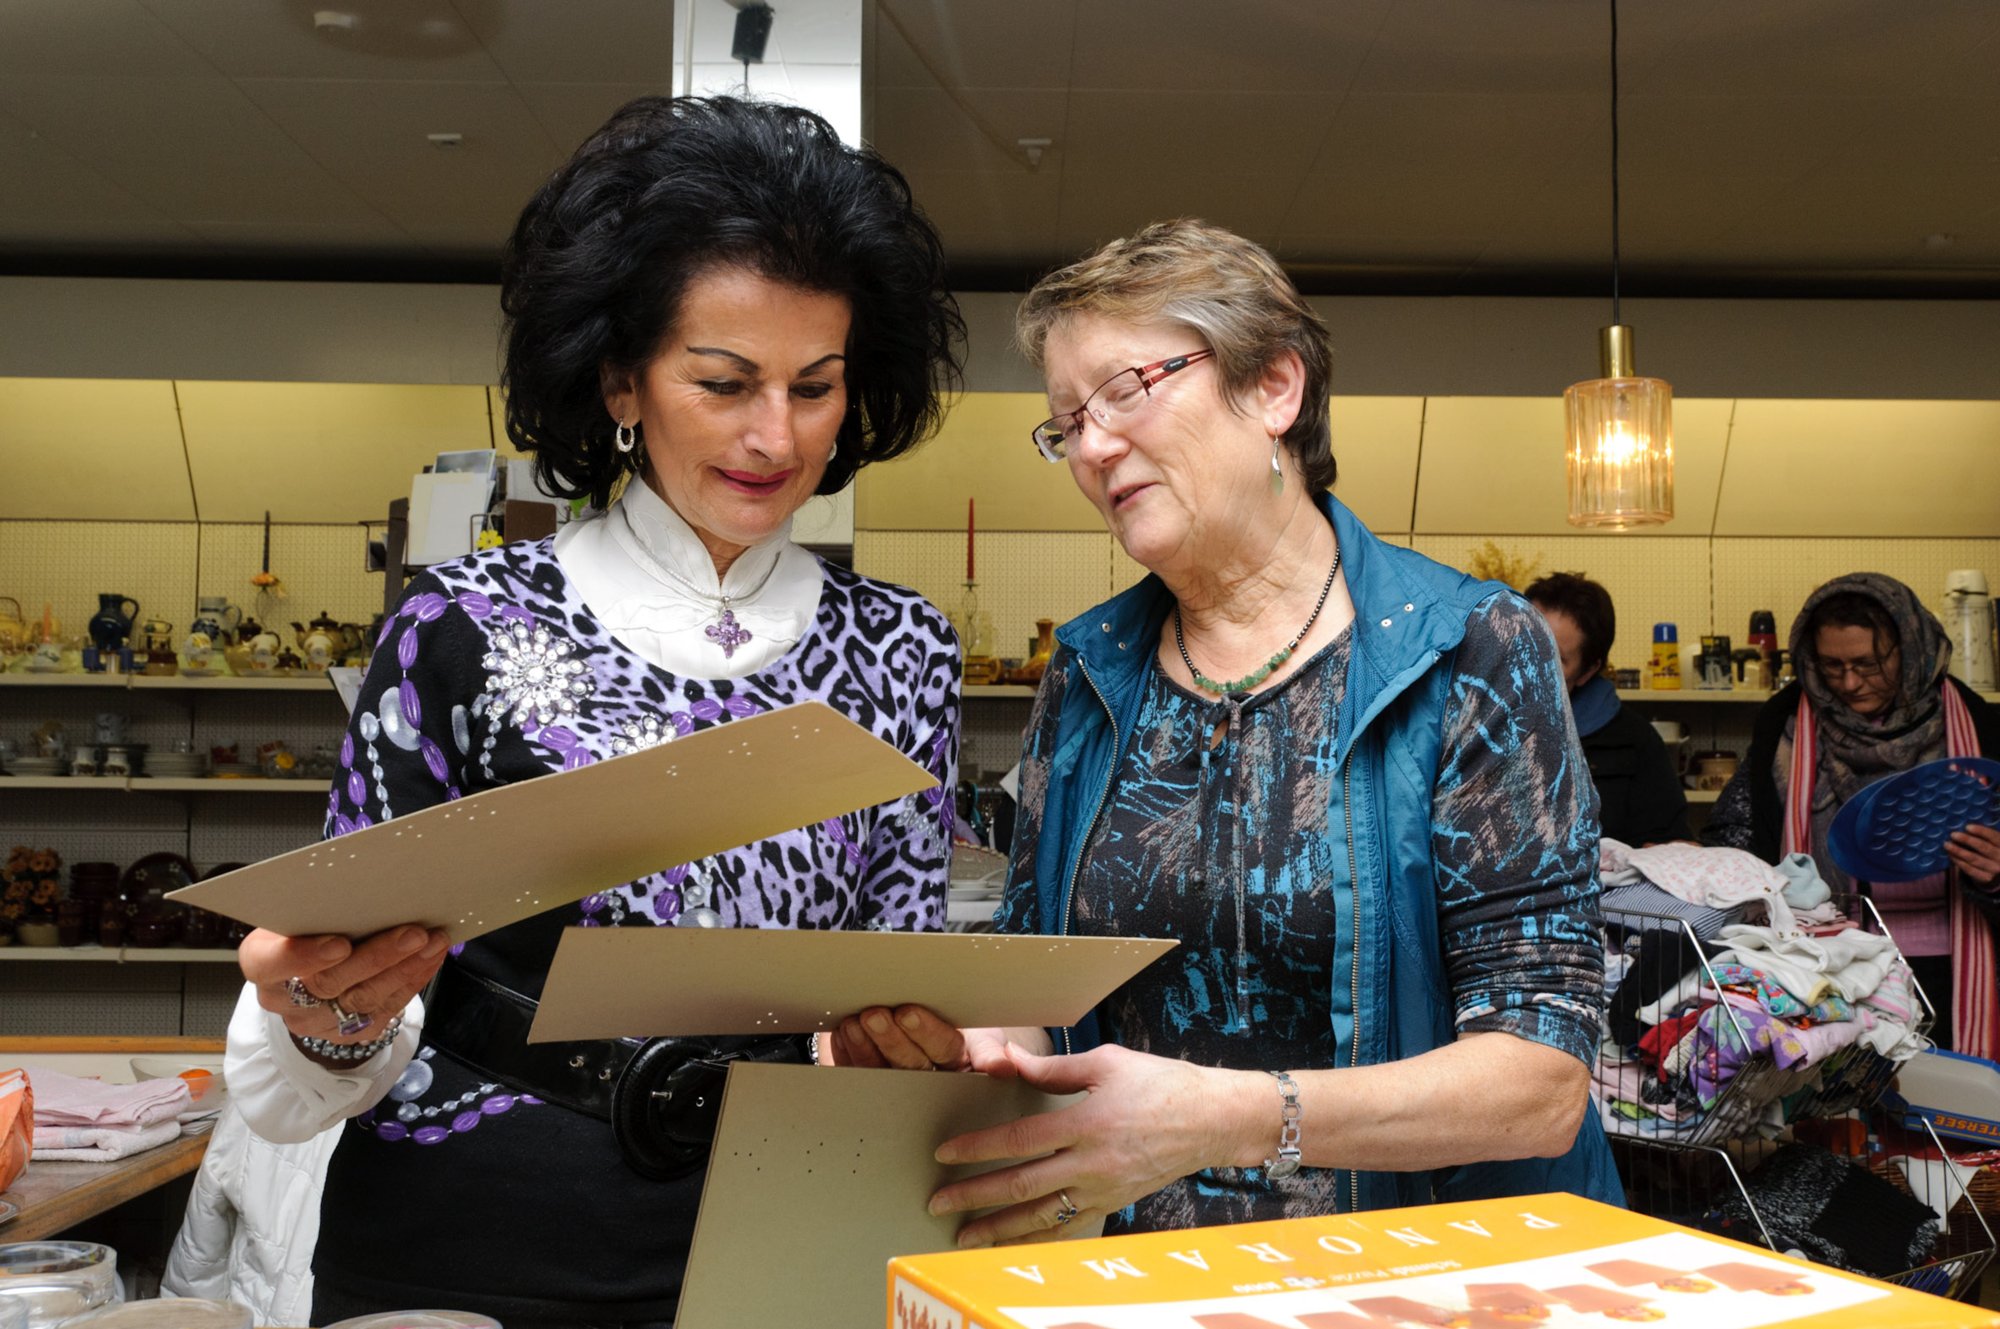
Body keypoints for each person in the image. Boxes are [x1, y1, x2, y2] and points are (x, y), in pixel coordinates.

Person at [222, 95, 966, 1326]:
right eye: (723, 383)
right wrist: (327, 1012)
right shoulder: (460, 626)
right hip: (469, 1233)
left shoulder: (900, 647)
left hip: (783, 1232)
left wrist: (911, 1045)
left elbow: (887, 983)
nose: (774, 435)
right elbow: (351, 999)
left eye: (815, 387)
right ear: (620, 376)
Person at [835, 219, 1619, 1243]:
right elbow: (1035, 996)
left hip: (1411, 1272)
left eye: (1124, 391)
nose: (1092, 446)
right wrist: (956, 1045)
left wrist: (1223, 1120)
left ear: (1272, 391)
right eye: (1066, 423)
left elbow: (1539, 1083)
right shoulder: (1087, 671)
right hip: (1135, 1271)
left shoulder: (1467, 648)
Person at [1703, 573, 2000, 1056]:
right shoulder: (1785, 722)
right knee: (1837, 1121)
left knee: (1940, 1112)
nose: (1849, 682)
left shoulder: (1977, 722)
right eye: (1831, 665)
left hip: (1948, 967)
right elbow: (1738, 831)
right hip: (1823, 969)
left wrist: (1995, 874)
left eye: (1868, 663)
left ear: (1911, 648)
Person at [1525, 572, 1690, 846]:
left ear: (1588, 671)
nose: (1530, 664)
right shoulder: (1473, 718)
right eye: (1526, 643)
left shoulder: (1635, 742)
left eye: (1556, 659)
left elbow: (1666, 848)